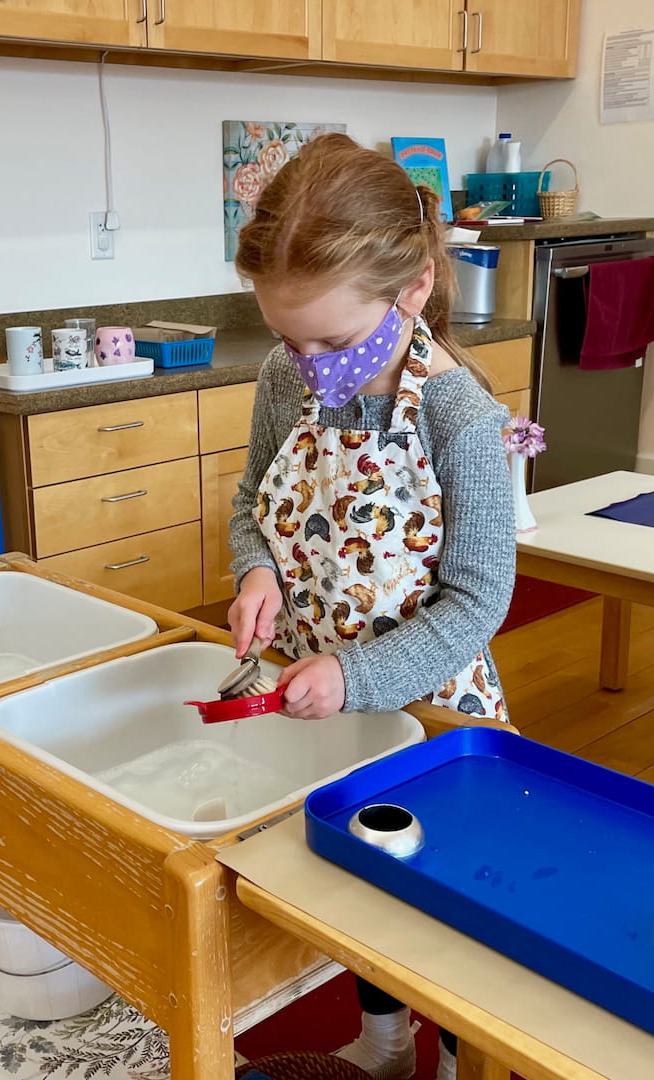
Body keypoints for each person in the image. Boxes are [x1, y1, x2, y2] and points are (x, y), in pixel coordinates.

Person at [227, 133, 516, 1080]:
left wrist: (359, 674)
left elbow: (479, 601)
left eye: (334, 343)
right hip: (322, 692)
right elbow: (252, 506)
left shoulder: (459, 414)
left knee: (451, 906)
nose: (309, 366)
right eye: (288, 338)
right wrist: (255, 572)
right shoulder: (285, 378)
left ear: (416, 291)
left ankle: (458, 1056)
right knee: (361, 879)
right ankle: (386, 1044)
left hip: (431, 709)